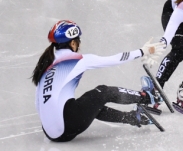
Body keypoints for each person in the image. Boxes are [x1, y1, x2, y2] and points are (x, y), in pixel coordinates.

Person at [31, 20, 165, 142]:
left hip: (51, 133)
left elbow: (38, 104)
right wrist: (143, 51)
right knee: (102, 92)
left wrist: (54, 124)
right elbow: (115, 59)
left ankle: (132, 118)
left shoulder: (47, 66)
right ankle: (148, 97)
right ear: (73, 43)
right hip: (68, 125)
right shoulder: (78, 59)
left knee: (91, 104)